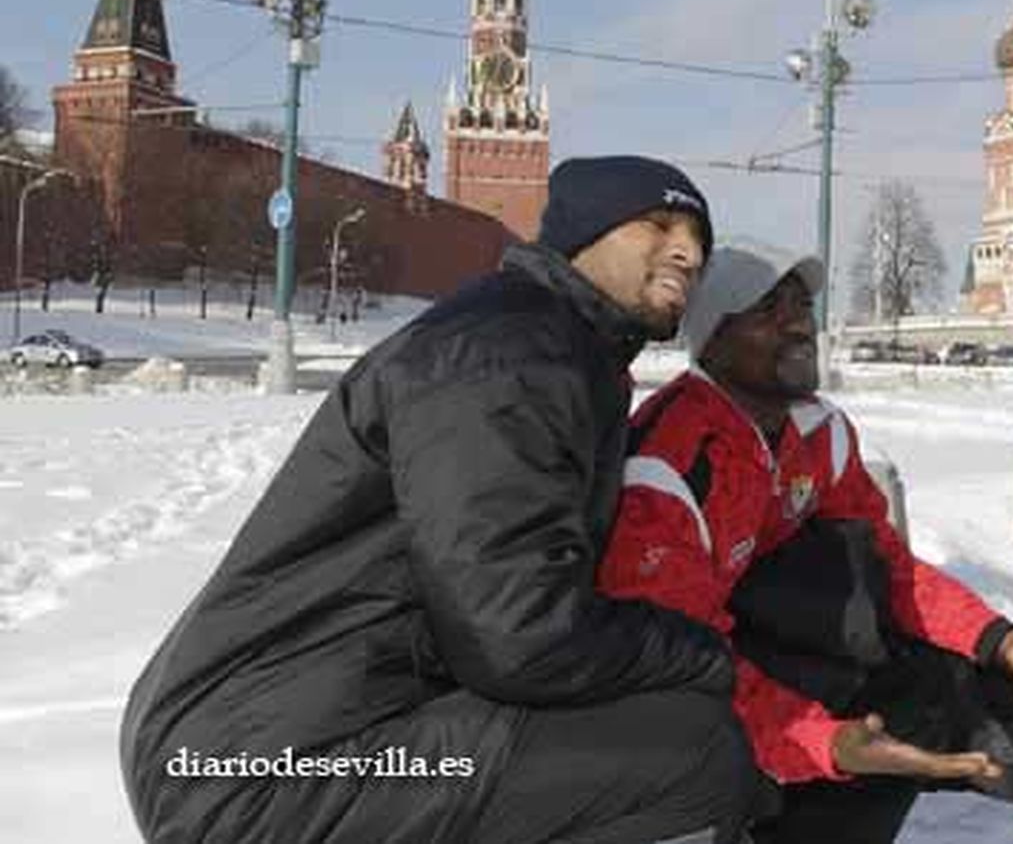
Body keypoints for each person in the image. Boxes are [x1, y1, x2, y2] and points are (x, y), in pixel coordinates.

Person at [119, 156, 764, 844]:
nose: (688, 252)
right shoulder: (509, 353)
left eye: (699, 237)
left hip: (275, 736)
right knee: (692, 754)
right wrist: (701, 653)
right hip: (262, 765)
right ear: (584, 233)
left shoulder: (549, 343)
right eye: (658, 224)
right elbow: (517, 633)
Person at [599, 241, 1013, 843]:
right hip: (666, 691)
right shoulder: (668, 467)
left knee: (945, 676)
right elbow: (676, 659)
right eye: (770, 308)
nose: (799, 323)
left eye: (802, 305)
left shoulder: (818, 430)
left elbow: (888, 569)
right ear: (714, 334)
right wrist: (820, 741)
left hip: (757, 647)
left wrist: (1004, 640)